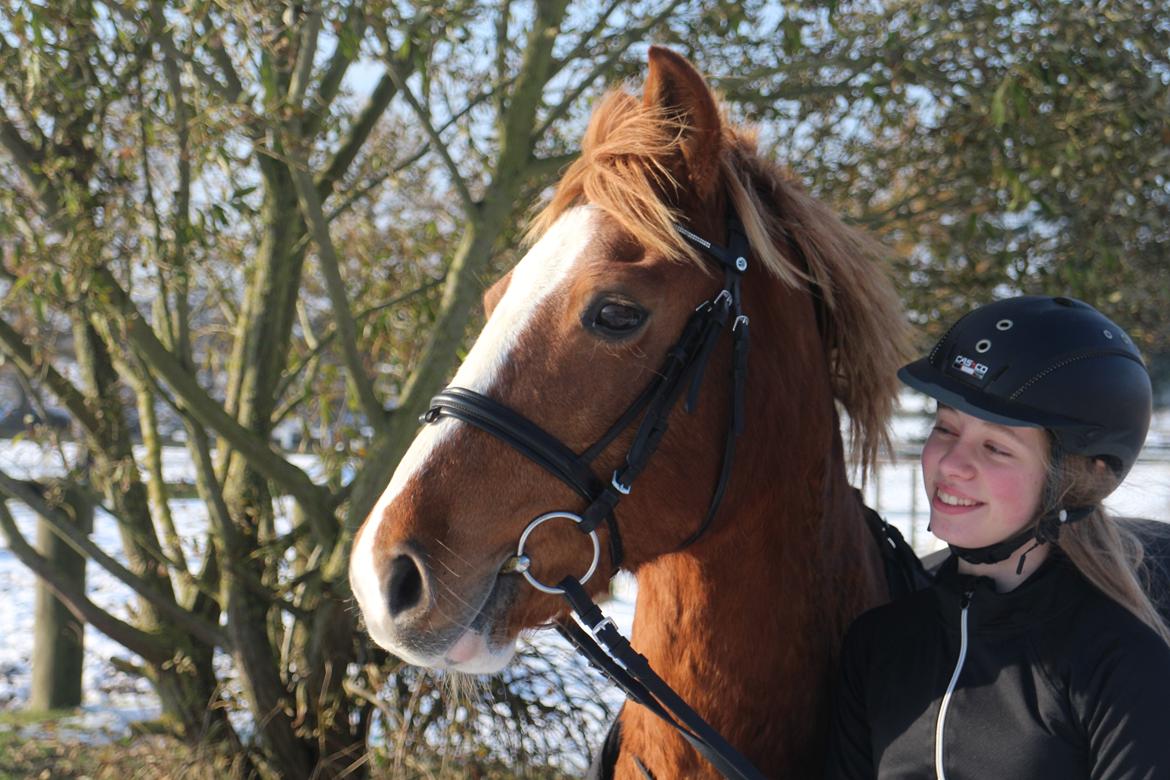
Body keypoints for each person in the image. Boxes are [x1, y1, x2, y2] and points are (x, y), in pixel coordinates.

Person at [825, 295, 1170, 780]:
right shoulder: (880, 644)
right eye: (945, 428)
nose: (950, 464)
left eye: (995, 447)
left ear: (1071, 481)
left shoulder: (1121, 662)